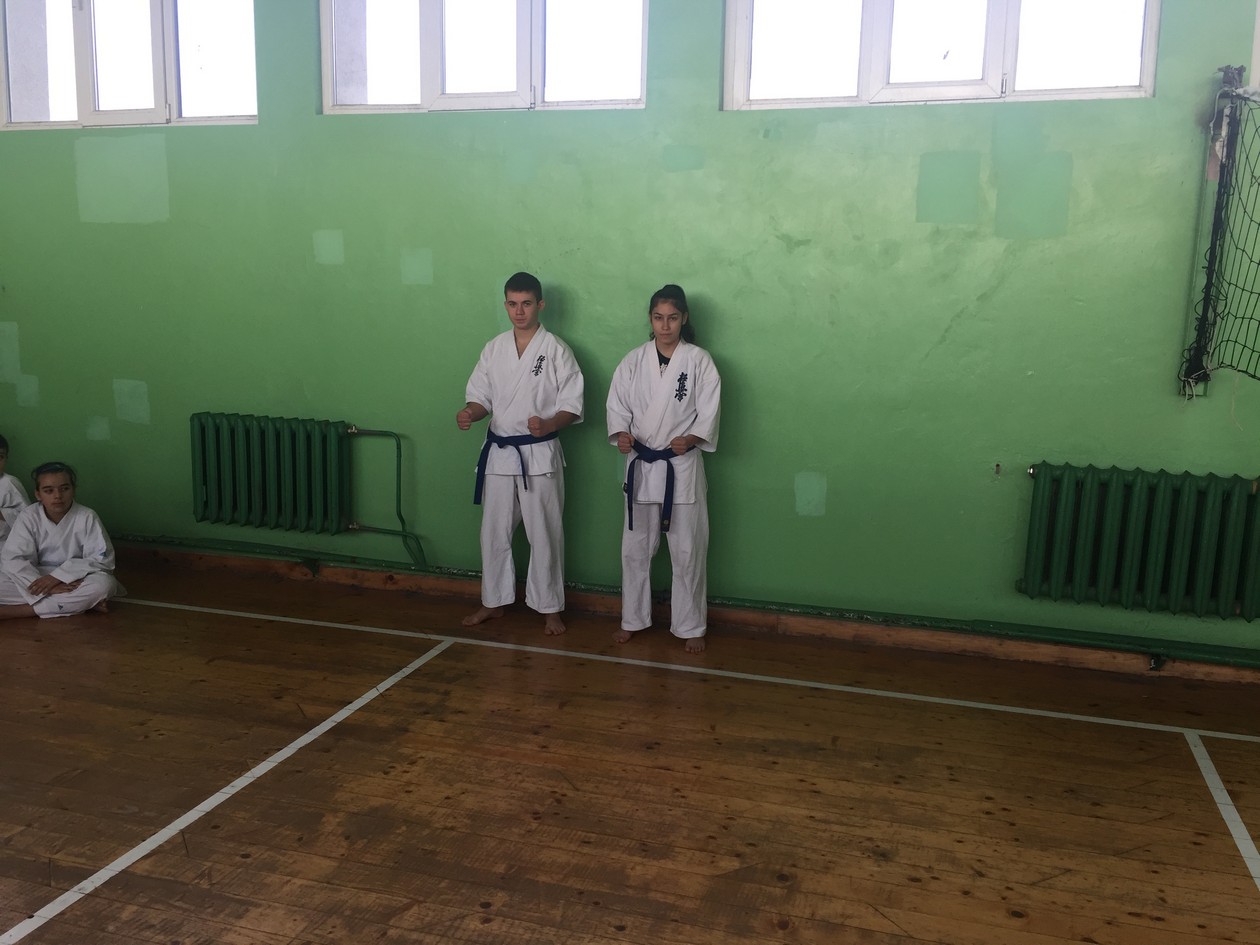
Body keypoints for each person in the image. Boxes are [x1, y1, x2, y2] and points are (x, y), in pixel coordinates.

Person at [456, 271, 584, 635]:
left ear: (540, 304)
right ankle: (493, 601)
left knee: (544, 532)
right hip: (499, 453)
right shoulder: (494, 348)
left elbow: (572, 405)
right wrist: (471, 413)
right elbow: (480, 397)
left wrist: (550, 423)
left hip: (539, 455)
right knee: (493, 532)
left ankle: (550, 607)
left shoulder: (556, 349)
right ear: (505, 305)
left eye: (526, 303)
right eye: (512, 304)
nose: (519, 311)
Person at [607, 284, 721, 653]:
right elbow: (617, 407)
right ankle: (632, 619)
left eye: (672, 318)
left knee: (687, 551)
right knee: (634, 549)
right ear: (650, 319)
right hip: (641, 465)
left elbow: (708, 412)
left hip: (680, 467)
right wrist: (622, 435)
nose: (665, 325)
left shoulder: (699, 361)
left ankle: (691, 625)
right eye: (658, 318)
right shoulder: (633, 361)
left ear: (684, 318)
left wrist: (691, 438)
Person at [0, 461, 125, 620]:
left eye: (64, 489)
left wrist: (57, 578)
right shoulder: (28, 516)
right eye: (48, 490)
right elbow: (14, 558)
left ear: (74, 490)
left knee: (104, 584)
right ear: (38, 494)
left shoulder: (87, 516)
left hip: (74, 578)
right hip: (37, 576)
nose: (57, 496)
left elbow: (101, 560)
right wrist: (45, 585)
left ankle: (21, 611)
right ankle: (82, 603)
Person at [0, 433, 32, 550]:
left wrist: (3, 513)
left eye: (0, 457)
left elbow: (29, 518)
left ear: (6, 459)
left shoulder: (9, 483)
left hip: (7, 545)